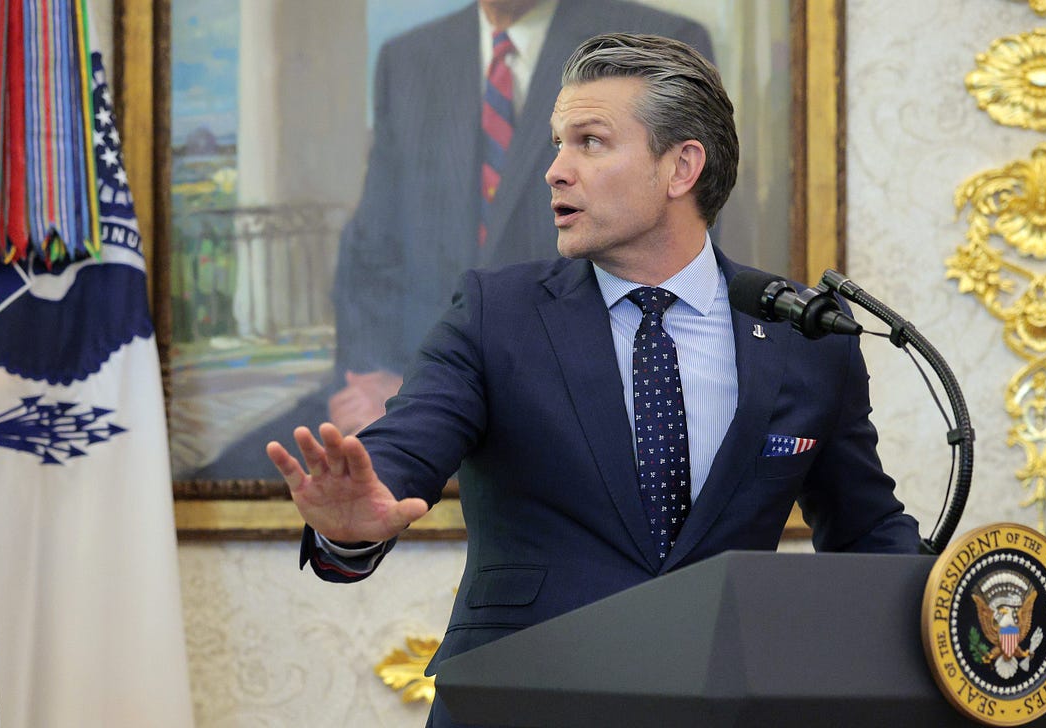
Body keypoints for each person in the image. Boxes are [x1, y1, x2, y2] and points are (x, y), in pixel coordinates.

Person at [268, 33, 920, 728]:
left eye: (589, 142)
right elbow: (404, 447)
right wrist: (353, 528)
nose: (554, 170)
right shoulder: (497, 314)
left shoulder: (802, 335)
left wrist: (955, 612)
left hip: (719, 708)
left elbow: (866, 532)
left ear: (681, 168)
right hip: (522, 705)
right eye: (557, 142)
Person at [191, 0, 712, 479]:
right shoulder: (409, 58)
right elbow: (372, 250)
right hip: (410, 383)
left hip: (580, 401)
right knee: (223, 475)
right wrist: (376, 378)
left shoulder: (658, 42)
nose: (560, 169)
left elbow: (667, 260)